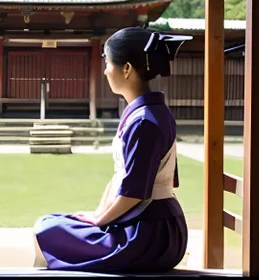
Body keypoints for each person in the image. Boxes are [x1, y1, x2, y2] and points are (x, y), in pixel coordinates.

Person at [32, 26, 191, 273]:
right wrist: (98, 213)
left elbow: (135, 193)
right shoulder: (149, 114)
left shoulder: (144, 121)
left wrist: (99, 220)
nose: (105, 70)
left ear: (126, 69)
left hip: (150, 234)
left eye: (107, 61)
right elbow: (128, 181)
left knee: (47, 229)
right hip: (151, 223)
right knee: (53, 223)